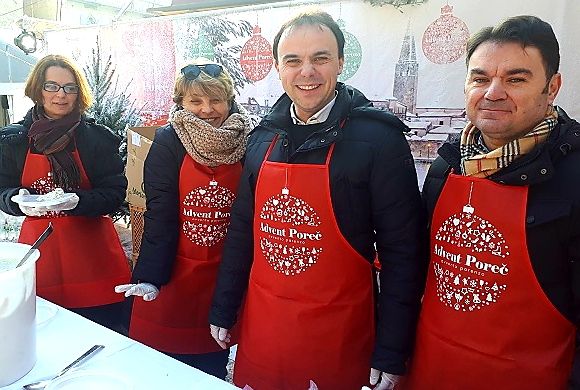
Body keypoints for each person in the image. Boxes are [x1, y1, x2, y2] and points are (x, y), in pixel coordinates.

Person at [208, 10, 426, 390]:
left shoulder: (378, 140)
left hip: (338, 335)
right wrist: (224, 307)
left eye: (320, 58)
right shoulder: (263, 138)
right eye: (293, 60)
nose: (306, 71)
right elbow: (243, 229)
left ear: (340, 62)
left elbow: (403, 252)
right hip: (266, 328)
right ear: (278, 67)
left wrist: (392, 349)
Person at [403, 15, 580, 389]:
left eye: (516, 79)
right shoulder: (447, 164)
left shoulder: (573, 176)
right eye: (480, 78)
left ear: (552, 88)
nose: (493, 92)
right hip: (431, 369)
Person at [115, 59, 256, 379]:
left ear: (229, 100)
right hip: (173, 271)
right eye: (195, 101)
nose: (207, 109)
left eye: (216, 99)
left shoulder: (248, 140)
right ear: (181, 102)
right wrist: (150, 276)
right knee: (161, 369)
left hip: (225, 273)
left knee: (210, 366)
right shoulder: (168, 142)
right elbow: (159, 215)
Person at [0, 54, 130, 330]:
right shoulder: (13, 141)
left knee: (105, 333)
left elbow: (116, 193)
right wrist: (15, 200)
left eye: (70, 88)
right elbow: (1, 189)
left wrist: (77, 200)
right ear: (38, 89)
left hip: (94, 257)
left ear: (78, 93)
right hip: (40, 255)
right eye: (52, 86)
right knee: (48, 332)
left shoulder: (96, 138)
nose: (61, 95)